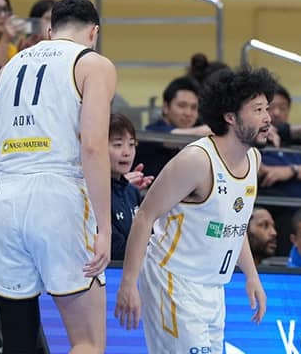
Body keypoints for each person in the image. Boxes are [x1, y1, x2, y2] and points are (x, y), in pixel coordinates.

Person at [0, 0, 115, 353]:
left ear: (49, 31)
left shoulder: (8, 67)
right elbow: (93, 148)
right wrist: (104, 229)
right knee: (88, 342)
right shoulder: (93, 64)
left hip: (7, 200)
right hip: (60, 194)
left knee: (17, 344)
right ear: (94, 33)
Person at [115, 67, 272, 354]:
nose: (267, 118)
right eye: (258, 110)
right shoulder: (196, 160)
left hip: (213, 287)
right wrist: (128, 283)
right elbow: (145, 216)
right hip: (173, 280)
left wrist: (252, 276)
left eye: (267, 109)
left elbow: (235, 226)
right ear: (230, 117)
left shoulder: (254, 159)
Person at [134, 76, 211, 177]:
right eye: (182, 105)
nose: (188, 113)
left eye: (194, 107)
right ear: (166, 107)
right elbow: (175, 136)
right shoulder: (152, 132)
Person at [109, 113, 150, 261]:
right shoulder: (94, 193)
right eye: (118, 145)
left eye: (131, 144)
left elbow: (147, 235)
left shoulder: (132, 192)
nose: (127, 152)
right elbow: (115, 250)